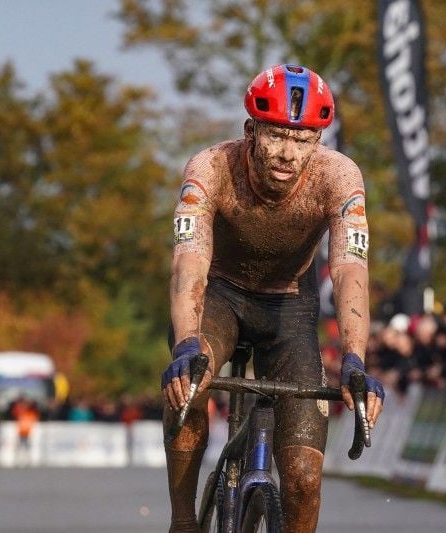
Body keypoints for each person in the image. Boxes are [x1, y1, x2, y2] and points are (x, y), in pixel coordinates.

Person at [160, 64, 385, 533]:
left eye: (303, 141)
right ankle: (183, 520)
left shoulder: (340, 177)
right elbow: (190, 261)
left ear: (319, 142)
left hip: (288, 305)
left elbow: (348, 267)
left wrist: (355, 358)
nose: (287, 153)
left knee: (303, 476)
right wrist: (185, 343)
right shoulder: (210, 167)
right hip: (217, 295)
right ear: (250, 130)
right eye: (277, 136)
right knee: (190, 383)